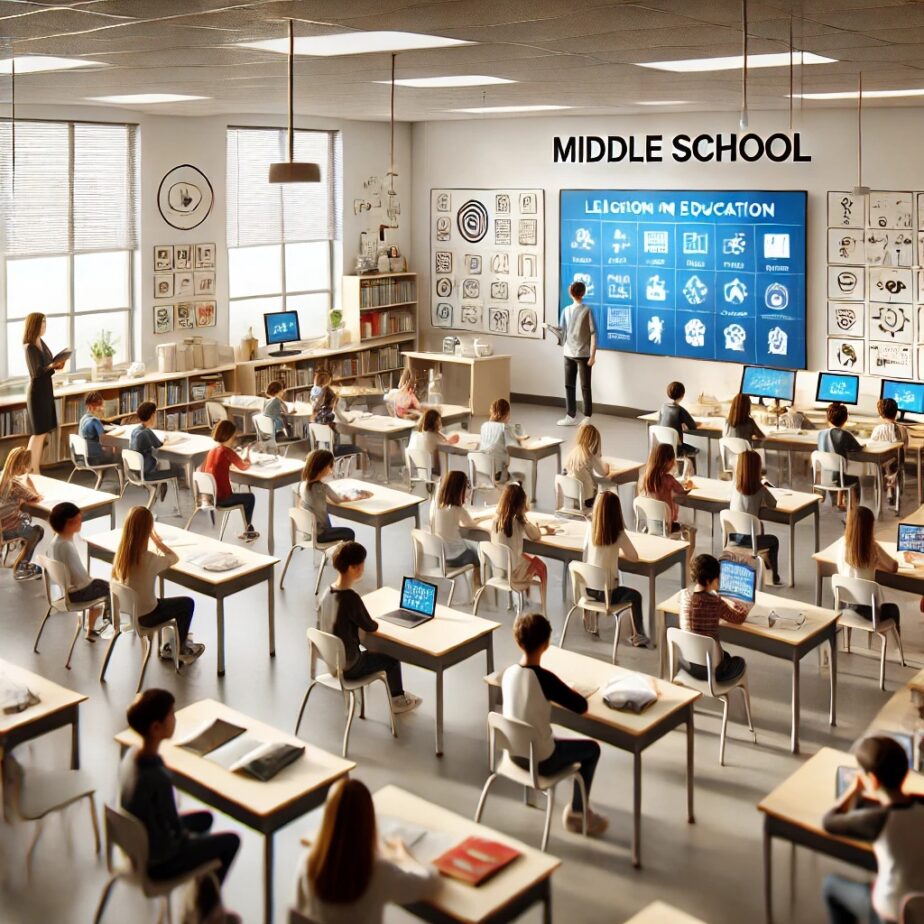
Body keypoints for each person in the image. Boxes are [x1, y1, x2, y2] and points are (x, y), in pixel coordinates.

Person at [120, 689, 241, 924]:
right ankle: (205, 910)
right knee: (231, 842)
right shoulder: (157, 778)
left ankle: (203, 887)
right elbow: (176, 831)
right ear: (156, 727)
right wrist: (191, 842)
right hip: (160, 859)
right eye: (171, 715)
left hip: (140, 843)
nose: (175, 719)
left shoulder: (130, 757)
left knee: (205, 818)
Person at [502, 611, 607, 835]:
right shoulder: (545, 679)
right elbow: (580, 706)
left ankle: (577, 808)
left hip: (513, 754)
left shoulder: (508, 673)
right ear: (546, 644)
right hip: (541, 761)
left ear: (517, 641)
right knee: (592, 749)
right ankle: (578, 813)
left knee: (549, 737)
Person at [295, 778, 438, 923]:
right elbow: (431, 883)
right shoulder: (378, 872)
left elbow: (300, 913)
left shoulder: (308, 863)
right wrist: (405, 858)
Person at [822, 735, 924, 924]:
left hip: (891, 913)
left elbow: (829, 822)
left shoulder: (877, 820)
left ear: (873, 780)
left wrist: (853, 790)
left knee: (830, 886)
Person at [318, 541, 421, 713]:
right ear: (353, 568)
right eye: (362, 564)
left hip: (332, 662)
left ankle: (397, 698)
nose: (363, 568)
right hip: (350, 666)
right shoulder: (351, 598)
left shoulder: (326, 593)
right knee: (392, 658)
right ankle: (398, 700)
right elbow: (370, 626)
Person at [112, 506, 204, 663]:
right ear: (148, 531)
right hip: (148, 616)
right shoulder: (150, 559)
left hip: (132, 614)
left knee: (163, 601)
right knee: (187, 603)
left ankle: (174, 643)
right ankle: (180, 649)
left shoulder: (121, 557)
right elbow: (173, 558)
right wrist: (157, 541)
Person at [582, 491, 647, 644]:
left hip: (588, 589)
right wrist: (616, 554)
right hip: (607, 594)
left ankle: (593, 624)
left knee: (599, 579)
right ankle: (639, 636)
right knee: (635, 596)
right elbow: (634, 557)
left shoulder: (591, 528)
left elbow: (585, 551)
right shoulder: (618, 534)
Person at [678, 553, 749, 682]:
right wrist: (744, 609)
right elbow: (738, 619)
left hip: (689, 664)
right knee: (738, 661)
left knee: (725, 655)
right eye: (717, 578)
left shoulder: (685, 596)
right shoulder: (715, 603)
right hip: (711, 670)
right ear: (709, 580)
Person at [49, 501, 111, 639]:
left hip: (68, 591)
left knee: (102, 585)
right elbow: (81, 578)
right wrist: (95, 583)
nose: (81, 523)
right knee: (112, 590)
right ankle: (108, 622)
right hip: (77, 593)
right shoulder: (67, 547)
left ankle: (92, 627)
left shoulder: (56, 541)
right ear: (70, 523)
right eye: (79, 520)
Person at [491, 481, 552, 614]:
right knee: (541, 566)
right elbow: (535, 535)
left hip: (499, 569)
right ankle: (543, 609)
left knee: (525, 557)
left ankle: (526, 598)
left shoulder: (495, 520)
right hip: (514, 574)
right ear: (520, 504)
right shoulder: (518, 521)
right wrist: (545, 530)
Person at [836, 505, 901, 628]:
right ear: (869, 528)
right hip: (868, 612)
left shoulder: (841, 545)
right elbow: (893, 567)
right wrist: (877, 563)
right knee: (894, 610)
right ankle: (894, 646)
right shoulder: (872, 548)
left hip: (844, 606)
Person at [200, 420, 260, 543]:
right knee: (250, 498)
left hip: (210, 497)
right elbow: (244, 466)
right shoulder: (227, 451)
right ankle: (249, 530)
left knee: (245, 496)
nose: (235, 438)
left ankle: (249, 530)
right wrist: (247, 456)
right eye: (234, 436)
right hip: (223, 498)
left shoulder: (213, 450)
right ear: (229, 435)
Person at [728, 449, 782, 585]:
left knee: (760, 527)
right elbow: (773, 504)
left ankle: (765, 566)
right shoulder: (760, 490)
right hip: (749, 541)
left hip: (733, 537)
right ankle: (773, 576)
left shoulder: (733, 487)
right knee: (773, 540)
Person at [23, 312, 66, 474]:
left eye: (45, 323)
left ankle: (34, 468)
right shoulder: (30, 347)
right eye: (42, 323)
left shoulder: (41, 343)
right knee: (38, 433)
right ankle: (31, 469)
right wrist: (52, 366)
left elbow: (47, 365)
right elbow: (37, 372)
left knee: (42, 434)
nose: (44, 326)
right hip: (37, 393)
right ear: (34, 326)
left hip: (46, 390)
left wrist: (56, 365)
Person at [299, 449, 371, 544]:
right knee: (349, 532)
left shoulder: (303, 485)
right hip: (320, 534)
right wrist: (359, 496)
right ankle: (347, 557)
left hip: (308, 532)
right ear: (323, 467)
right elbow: (338, 500)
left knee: (328, 518)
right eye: (330, 466)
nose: (332, 470)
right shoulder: (322, 488)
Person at [0, 446, 44, 581]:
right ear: (22, 466)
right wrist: (29, 481)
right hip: (7, 529)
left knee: (25, 517)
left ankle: (17, 558)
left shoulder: (2, 477)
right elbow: (36, 497)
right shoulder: (15, 485)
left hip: (2, 527)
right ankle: (21, 566)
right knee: (37, 531)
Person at [555, 280, 596, 427]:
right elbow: (563, 332)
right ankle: (572, 415)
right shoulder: (567, 310)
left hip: (582, 353)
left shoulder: (586, 310)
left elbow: (592, 333)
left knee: (582, 386)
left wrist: (592, 355)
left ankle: (585, 416)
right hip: (570, 352)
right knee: (572, 385)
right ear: (583, 293)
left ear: (571, 292)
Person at [638, 443, 695, 546]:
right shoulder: (669, 480)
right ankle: (688, 561)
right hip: (667, 526)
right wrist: (690, 487)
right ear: (668, 462)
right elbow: (682, 491)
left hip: (650, 524)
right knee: (692, 530)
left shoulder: (645, 479)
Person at [429, 471, 481, 581]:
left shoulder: (437, 508)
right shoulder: (458, 510)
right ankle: (477, 589)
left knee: (469, 546)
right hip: (457, 557)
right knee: (478, 556)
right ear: (459, 490)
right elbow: (472, 525)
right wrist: (482, 518)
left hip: (442, 556)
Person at [130, 401, 184, 501]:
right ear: (152, 415)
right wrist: (172, 439)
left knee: (160, 461)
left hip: (134, 472)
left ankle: (162, 483)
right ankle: (163, 484)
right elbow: (160, 445)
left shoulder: (135, 431)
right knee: (179, 470)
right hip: (147, 473)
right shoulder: (146, 432)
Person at [818, 402, 863, 508]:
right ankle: (854, 508)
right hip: (840, 477)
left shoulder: (821, 434)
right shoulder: (845, 435)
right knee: (852, 474)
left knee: (839, 466)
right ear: (845, 419)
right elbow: (857, 448)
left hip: (824, 476)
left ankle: (839, 502)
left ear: (828, 418)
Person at [478, 398, 529, 483]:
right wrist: (521, 440)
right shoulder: (504, 427)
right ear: (507, 415)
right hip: (499, 475)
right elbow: (515, 447)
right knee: (521, 477)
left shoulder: (484, 426)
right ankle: (514, 496)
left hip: (483, 472)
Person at [870, 397, 908, 506]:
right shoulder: (903, 429)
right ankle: (892, 486)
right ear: (896, 413)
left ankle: (888, 489)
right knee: (894, 464)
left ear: (881, 414)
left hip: (881, 464)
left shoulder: (878, 429)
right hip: (897, 463)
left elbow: (872, 446)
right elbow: (905, 448)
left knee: (883, 463)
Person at [563, 422, 611, 507]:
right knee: (607, 493)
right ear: (593, 441)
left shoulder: (572, 454)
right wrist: (607, 465)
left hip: (571, 493)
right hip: (587, 498)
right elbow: (604, 472)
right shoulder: (589, 455)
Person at [658, 381, 699, 474]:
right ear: (682, 395)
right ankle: (692, 477)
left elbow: (660, 423)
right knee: (695, 451)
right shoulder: (680, 410)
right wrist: (683, 422)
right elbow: (693, 426)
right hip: (676, 449)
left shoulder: (663, 407)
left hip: (663, 446)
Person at [408, 408, 459, 476]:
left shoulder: (420, 434)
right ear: (435, 423)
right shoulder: (433, 437)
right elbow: (448, 445)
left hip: (419, 470)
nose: (441, 424)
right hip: (433, 470)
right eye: (439, 421)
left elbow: (446, 438)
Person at [79, 391, 118, 465]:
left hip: (86, 455)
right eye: (100, 406)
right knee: (122, 450)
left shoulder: (83, 419)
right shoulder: (95, 421)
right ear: (91, 407)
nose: (102, 409)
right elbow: (105, 442)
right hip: (95, 458)